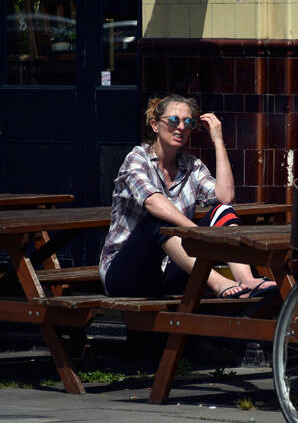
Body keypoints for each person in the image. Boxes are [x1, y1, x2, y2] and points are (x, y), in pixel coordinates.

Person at [100, 94, 276, 298]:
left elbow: (225, 197)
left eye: (188, 122)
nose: (181, 127)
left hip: (171, 270)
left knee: (223, 211)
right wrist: (194, 233)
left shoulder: (192, 166)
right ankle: (218, 283)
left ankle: (246, 279)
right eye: (174, 120)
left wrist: (218, 140)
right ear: (155, 125)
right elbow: (152, 201)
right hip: (126, 273)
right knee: (158, 221)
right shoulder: (137, 159)